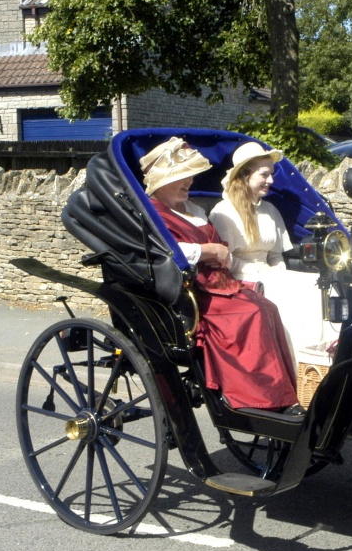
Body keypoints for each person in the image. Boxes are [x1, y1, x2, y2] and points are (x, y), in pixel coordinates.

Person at [139, 136, 301, 413]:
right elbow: (164, 252)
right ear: (163, 181)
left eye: (191, 176)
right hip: (188, 290)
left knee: (266, 307)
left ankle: (283, 390)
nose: (190, 182)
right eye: (183, 176)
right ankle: (256, 396)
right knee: (252, 314)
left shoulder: (194, 210)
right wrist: (207, 251)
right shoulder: (153, 213)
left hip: (220, 282)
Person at [209, 141, 337, 357]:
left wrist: (278, 272)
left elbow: (276, 255)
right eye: (264, 174)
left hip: (270, 274)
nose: (271, 180)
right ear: (244, 175)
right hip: (241, 279)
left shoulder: (270, 210)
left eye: (272, 174)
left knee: (321, 287)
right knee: (289, 295)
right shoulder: (223, 212)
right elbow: (226, 260)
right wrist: (264, 275)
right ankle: (296, 359)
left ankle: (321, 356)